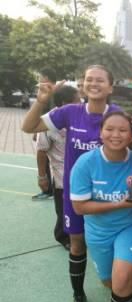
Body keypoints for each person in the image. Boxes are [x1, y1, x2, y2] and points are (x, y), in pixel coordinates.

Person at [22, 64, 120, 302]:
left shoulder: (119, 116)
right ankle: (78, 295)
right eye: (89, 79)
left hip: (108, 195)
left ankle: (113, 282)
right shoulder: (69, 112)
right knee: (77, 244)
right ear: (82, 85)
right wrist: (41, 101)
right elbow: (28, 127)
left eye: (100, 80)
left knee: (107, 244)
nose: (94, 83)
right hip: (75, 194)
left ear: (110, 86)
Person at [70, 111, 132, 302]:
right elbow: (79, 207)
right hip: (99, 230)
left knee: (121, 280)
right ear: (100, 132)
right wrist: (120, 204)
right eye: (109, 129)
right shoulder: (85, 163)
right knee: (109, 282)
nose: (115, 135)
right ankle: (123, 279)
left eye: (123, 130)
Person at [36, 85, 81, 249]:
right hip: (62, 177)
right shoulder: (49, 122)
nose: (82, 103)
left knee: (82, 208)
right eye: (78, 101)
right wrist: (42, 176)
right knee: (64, 211)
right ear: (65, 103)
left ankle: (80, 235)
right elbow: (41, 151)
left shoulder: (81, 117)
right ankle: (64, 238)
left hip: (83, 175)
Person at [32, 67, 58, 200]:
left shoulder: (53, 91)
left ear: (46, 77)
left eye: (40, 77)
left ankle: (48, 190)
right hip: (46, 129)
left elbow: (52, 112)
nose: (40, 79)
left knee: (48, 158)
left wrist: (40, 130)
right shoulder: (51, 90)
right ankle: (50, 190)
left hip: (51, 131)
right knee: (48, 160)